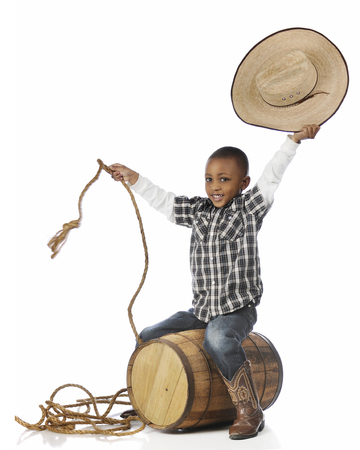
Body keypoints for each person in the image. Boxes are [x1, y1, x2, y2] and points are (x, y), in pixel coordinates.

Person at [110, 125, 320, 439]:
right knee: (149, 334)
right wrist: (133, 177)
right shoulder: (197, 212)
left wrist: (292, 141)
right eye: (209, 179)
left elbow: (272, 175)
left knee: (218, 339)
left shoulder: (249, 209)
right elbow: (164, 200)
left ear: (243, 183)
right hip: (202, 310)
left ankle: (250, 409)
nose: (215, 186)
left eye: (224, 179)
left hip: (237, 309)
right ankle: (147, 395)